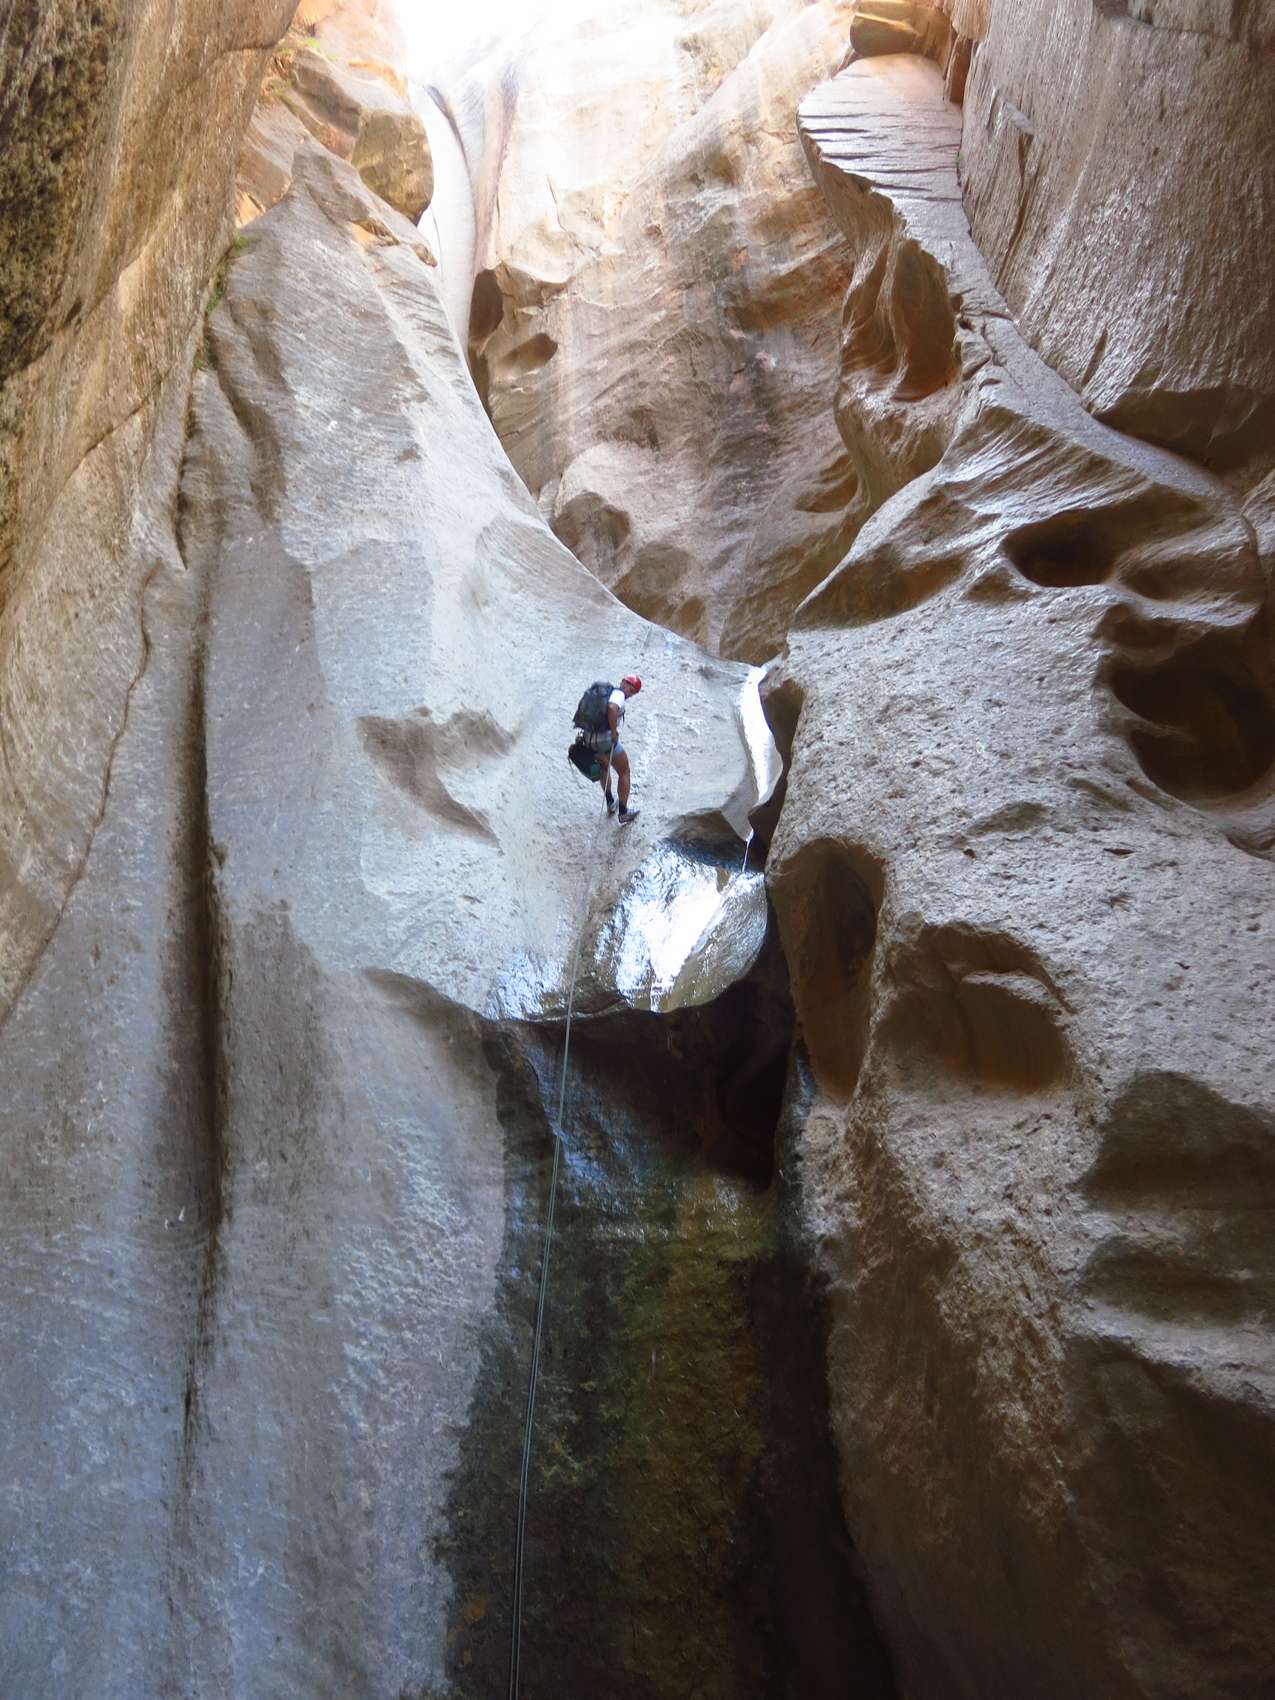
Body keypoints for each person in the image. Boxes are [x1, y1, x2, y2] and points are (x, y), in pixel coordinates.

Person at [594, 674, 642, 823]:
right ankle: (623, 812)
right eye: (631, 690)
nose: (630, 694)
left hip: (591, 739)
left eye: (633, 693)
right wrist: (613, 732)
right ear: (623, 683)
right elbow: (612, 707)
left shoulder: (607, 692)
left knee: (604, 768)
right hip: (605, 740)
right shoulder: (618, 695)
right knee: (624, 771)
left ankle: (610, 803)